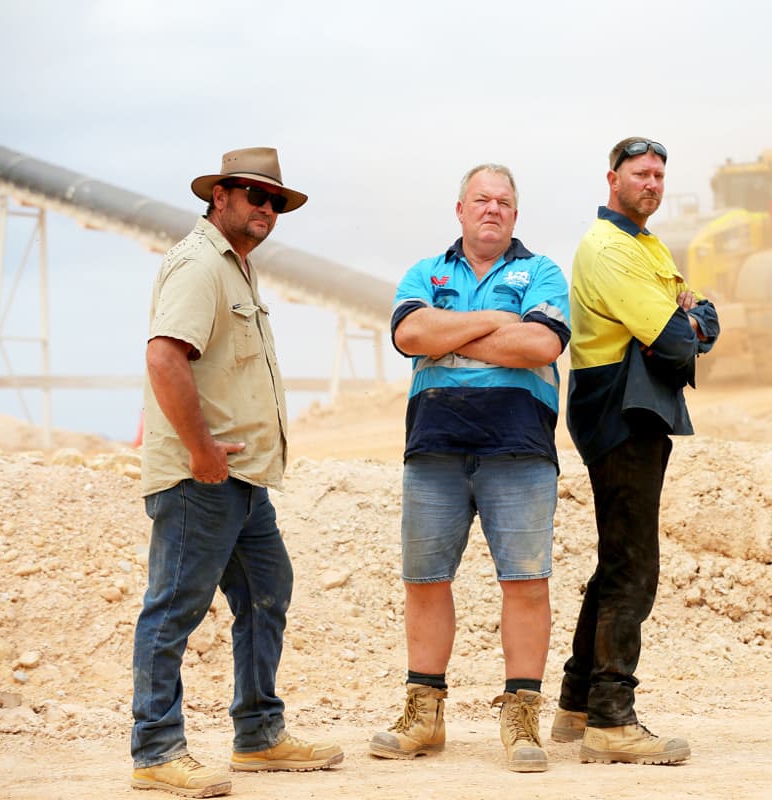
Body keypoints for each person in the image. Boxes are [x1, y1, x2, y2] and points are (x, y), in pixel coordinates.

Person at [131, 148, 343, 797]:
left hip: (243, 481)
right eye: (255, 195)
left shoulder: (237, 270)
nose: (267, 209)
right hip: (202, 481)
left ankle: (257, 735)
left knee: (266, 589)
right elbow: (166, 358)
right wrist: (200, 451)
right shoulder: (201, 265)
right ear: (219, 195)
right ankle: (156, 749)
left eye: (276, 201)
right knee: (174, 608)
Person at [368, 164, 570, 773]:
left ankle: (522, 717)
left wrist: (447, 336)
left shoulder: (542, 273)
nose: (492, 209)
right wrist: (499, 323)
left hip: (519, 447)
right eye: (481, 199)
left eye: (504, 202)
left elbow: (541, 345)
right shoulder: (423, 272)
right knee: (425, 581)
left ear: (516, 214)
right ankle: (424, 715)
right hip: (435, 447)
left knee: (527, 583)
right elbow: (408, 333)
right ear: (459, 210)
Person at [550, 137, 719, 765]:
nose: (651, 183)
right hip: (620, 408)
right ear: (612, 179)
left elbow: (699, 318)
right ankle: (611, 718)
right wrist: (687, 325)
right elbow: (678, 340)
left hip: (640, 409)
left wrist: (692, 321)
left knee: (617, 557)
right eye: (639, 173)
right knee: (634, 566)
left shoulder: (649, 245)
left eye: (658, 175)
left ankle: (575, 703)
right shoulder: (609, 249)